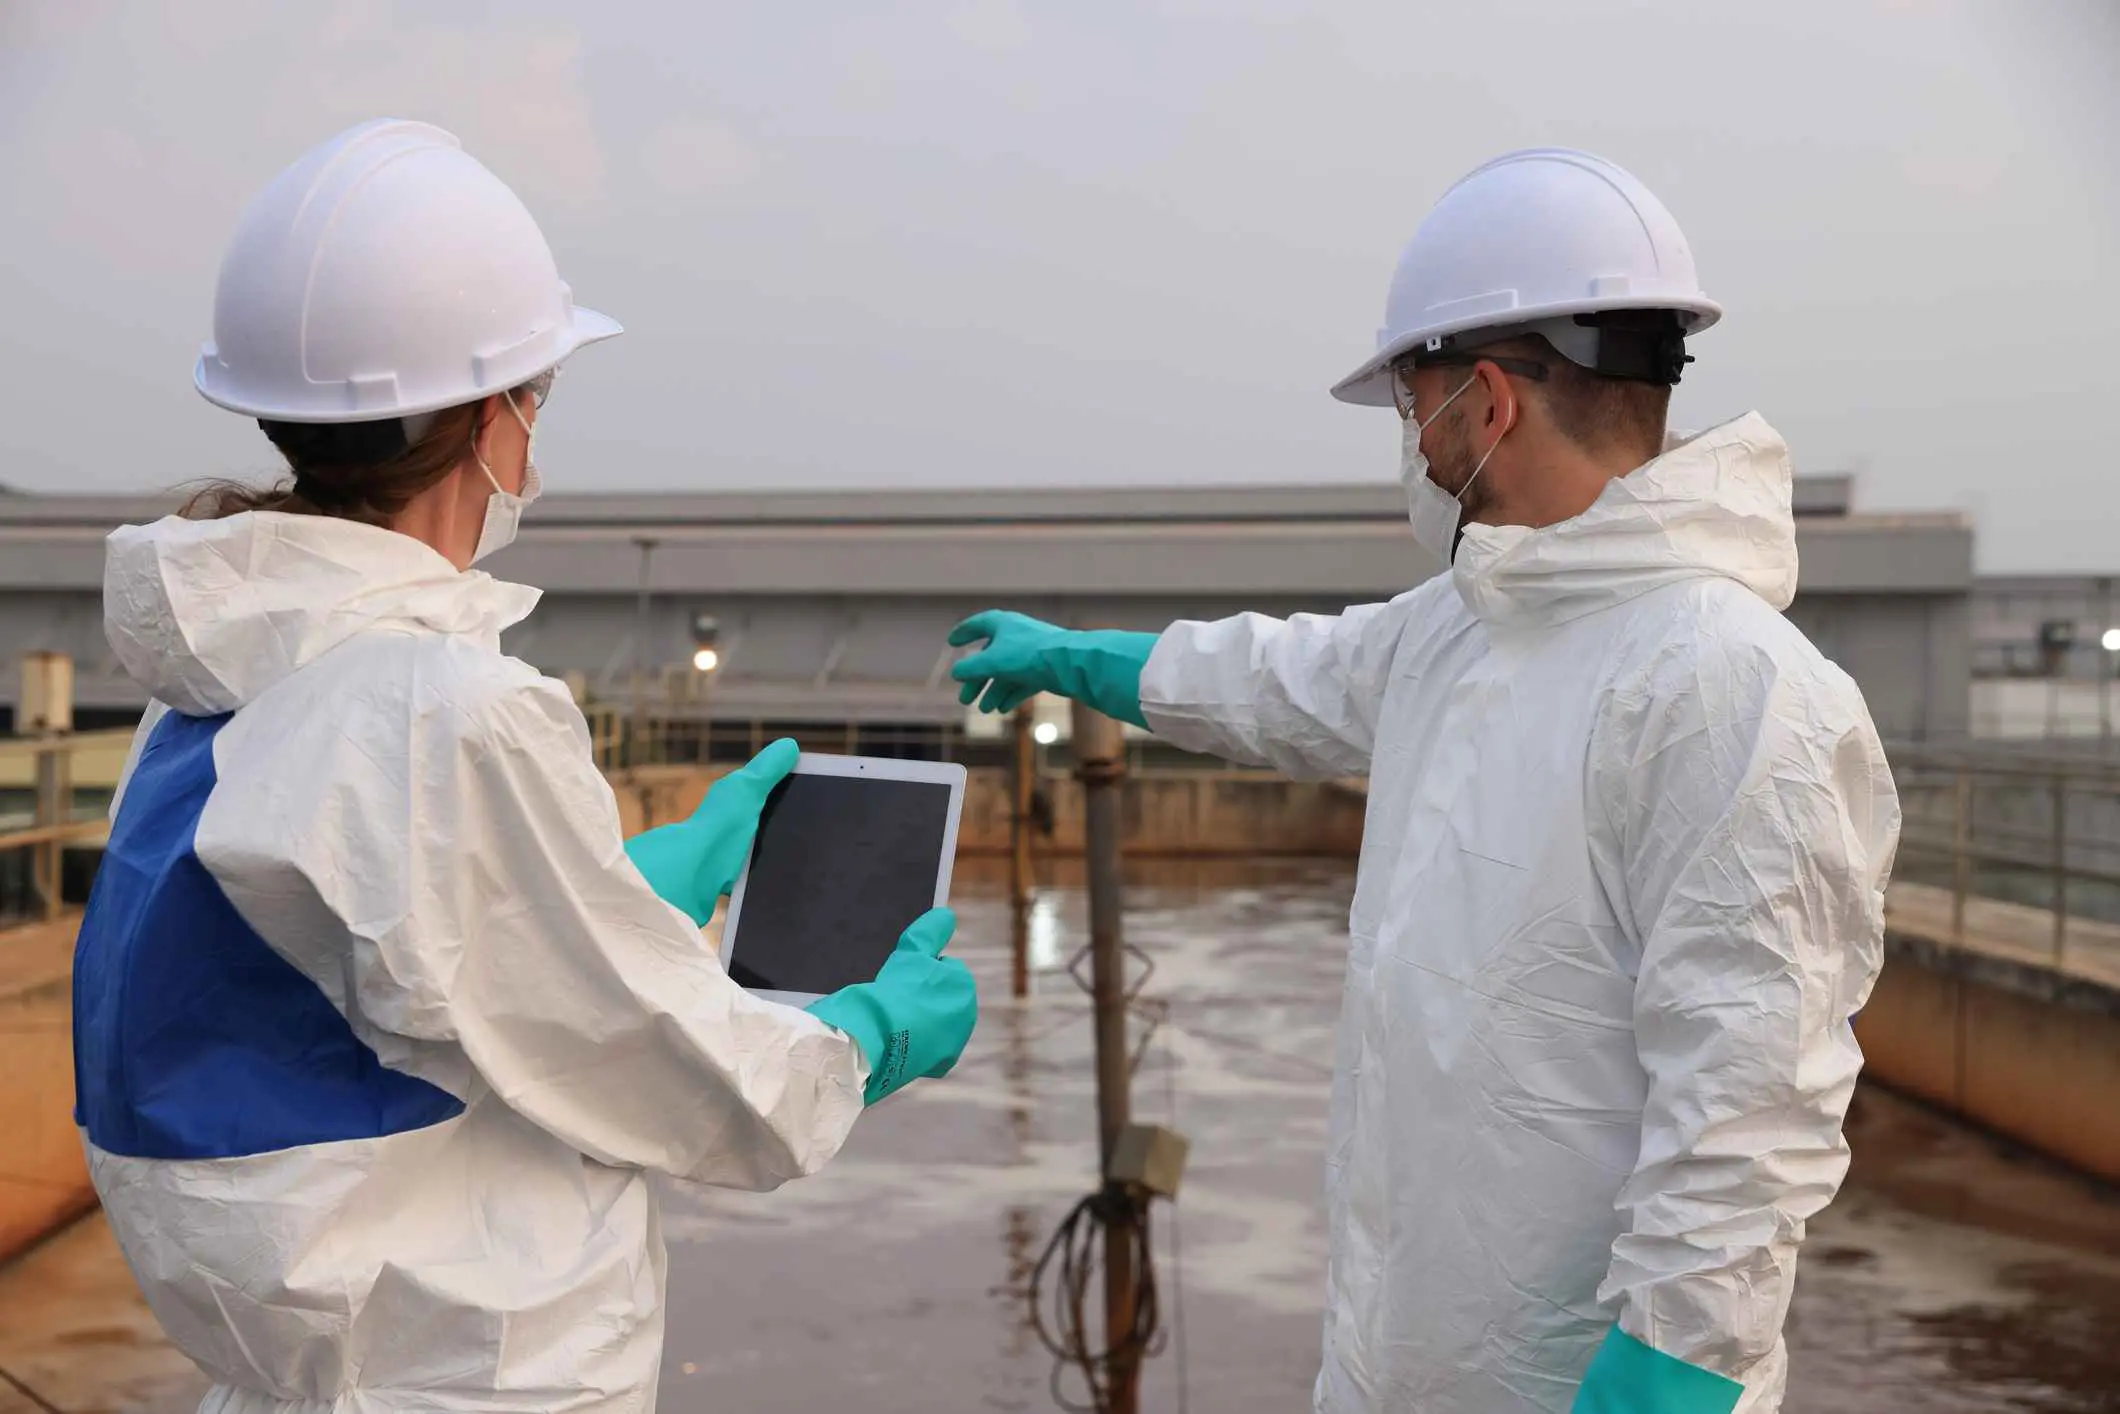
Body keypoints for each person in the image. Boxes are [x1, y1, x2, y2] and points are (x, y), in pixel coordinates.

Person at [950, 148, 1898, 1414]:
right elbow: (1281, 678)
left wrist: (1671, 1371)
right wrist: (1081, 659)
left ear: (1488, 404)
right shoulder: (1465, 628)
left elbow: (1749, 1106)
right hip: (1399, 1362)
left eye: (1414, 406)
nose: (1410, 440)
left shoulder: (1726, 686)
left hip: (1565, 1383)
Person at [71, 118, 978, 1414]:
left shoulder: (217, 689)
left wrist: (619, 890)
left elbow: (401, 972)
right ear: (499, 416)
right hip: (466, 1375)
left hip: (298, 1376)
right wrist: (863, 1033)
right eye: (538, 398)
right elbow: (676, 1070)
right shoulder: (440, 709)